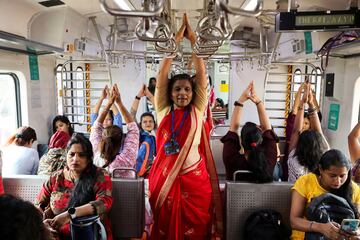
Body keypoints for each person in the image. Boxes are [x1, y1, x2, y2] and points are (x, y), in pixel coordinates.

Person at [148, 14, 222, 239]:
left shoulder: (197, 110)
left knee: (196, 231)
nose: (182, 93)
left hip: (195, 182)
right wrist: (173, 45)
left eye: (187, 90)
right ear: (170, 93)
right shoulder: (163, 111)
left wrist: (194, 42)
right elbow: (161, 77)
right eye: (177, 89)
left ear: (193, 93)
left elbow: (201, 76)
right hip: (165, 182)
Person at [35, 133, 113, 240]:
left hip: (90, 233)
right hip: (58, 235)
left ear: (89, 158)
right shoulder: (56, 178)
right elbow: (38, 205)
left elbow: (104, 202)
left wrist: (69, 215)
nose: (75, 159)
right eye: (71, 154)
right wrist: (43, 224)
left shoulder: (99, 175)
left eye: (81, 155)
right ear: (66, 155)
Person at [290, 149, 360, 240]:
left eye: (342, 176)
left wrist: (357, 232)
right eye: (332, 175)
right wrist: (321, 228)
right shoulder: (306, 182)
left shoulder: (354, 189)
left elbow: (358, 221)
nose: (338, 181)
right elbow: (294, 221)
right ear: (321, 169)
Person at [221, 81, 277, 182]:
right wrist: (258, 102)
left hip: (234, 198)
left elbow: (233, 128)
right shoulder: (269, 160)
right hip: (264, 198)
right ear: (261, 142)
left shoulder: (231, 160)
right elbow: (267, 129)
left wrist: (241, 101)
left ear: (241, 142)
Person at [90, 84, 139, 178]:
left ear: (102, 139)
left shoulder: (95, 155)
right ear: (122, 142)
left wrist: (109, 103)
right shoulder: (126, 159)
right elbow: (133, 129)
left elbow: (96, 127)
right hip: (126, 192)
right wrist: (119, 102)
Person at [287, 83, 329, 182]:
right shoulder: (324, 158)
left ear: (300, 144)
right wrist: (311, 103)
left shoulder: (294, 159)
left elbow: (296, 131)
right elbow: (319, 133)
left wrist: (303, 102)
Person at [136, 112, 156, 177]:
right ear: (140, 124)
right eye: (145, 122)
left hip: (148, 170)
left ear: (154, 123)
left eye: (150, 121)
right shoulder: (140, 136)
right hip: (141, 171)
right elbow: (139, 157)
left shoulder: (152, 137)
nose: (148, 124)